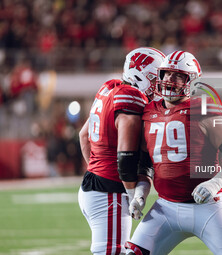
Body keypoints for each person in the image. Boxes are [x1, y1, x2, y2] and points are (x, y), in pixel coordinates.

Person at [125, 51, 222, 255]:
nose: (169, 79)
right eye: (166, 73)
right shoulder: (149, 111)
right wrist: (140, 194)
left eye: (177, 75)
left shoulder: (202, 108)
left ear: (191, 81)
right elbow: (145, 164)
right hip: (165, 207)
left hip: (208, 207)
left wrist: (215, 183)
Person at [78, 47, 165, 255]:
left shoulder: (110, 88)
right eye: (156, 78)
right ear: (141, 75)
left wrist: (98, 169)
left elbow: (83, 136)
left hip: (91, 186)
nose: (159, 85)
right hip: (110, 193)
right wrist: (132, 193)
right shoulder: (131, 98)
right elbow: (126, 159)